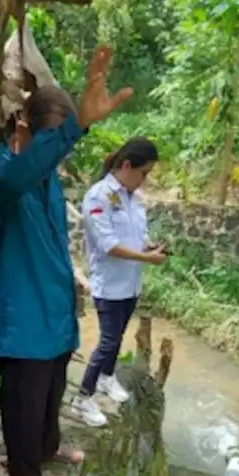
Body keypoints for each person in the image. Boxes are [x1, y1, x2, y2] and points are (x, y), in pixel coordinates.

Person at [0, 47, 132, 476]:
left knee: (52, 386)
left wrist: (73, 278)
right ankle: (26, 475)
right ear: (24, 126)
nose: (55, 153)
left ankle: (48, 447)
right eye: (51, 140)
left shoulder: (48, 180)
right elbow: (18, 175)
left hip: (56, 306)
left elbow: (55, 239)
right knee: (24, 396)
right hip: (22, 309)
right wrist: (77, 127)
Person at [71, 137, 166, 428]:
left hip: (130, 282)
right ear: (127, 166)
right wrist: (147, 258)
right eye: (143, 172)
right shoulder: (98, 196)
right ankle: (81, 399)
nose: (144, 179)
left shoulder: (131, 197)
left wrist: (148, 247)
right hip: (109, 284)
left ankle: (106, 378)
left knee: (118, 336)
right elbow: (107, 245)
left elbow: (136, 234)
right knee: (108, 341)